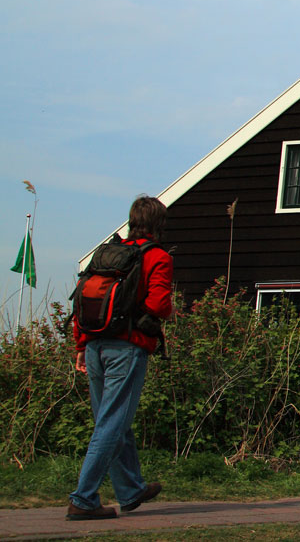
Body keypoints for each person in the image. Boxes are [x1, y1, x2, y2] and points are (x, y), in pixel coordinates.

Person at [68, 196, 174, 520]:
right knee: (112, 424)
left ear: (132, 220)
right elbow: (159, 305)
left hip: (96, 346)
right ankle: (83, 499)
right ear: (159, 224)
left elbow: (83, 299)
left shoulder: (109, 254)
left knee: (112, 420)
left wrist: (81, 346)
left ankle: (129, 490)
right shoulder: (157, 257)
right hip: (126, 348)